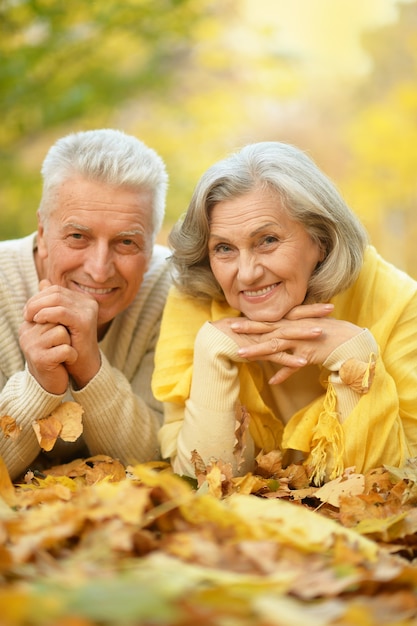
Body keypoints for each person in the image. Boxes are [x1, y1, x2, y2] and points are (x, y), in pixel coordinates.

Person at [152, 141, 417, 486]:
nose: (246, 274)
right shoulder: (197, 297)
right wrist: (212, 356)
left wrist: (354, 358)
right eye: (224, 248)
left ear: (321, 239)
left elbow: (393, 484)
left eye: (267, 240)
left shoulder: (397, 300)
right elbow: (198, 483)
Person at [0, 128, 171, 480]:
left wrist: (90, 367)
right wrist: (40, 383)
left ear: (152, 245)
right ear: (44, 233)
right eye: (78, 236)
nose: (98, 269)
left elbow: (155, 456)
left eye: (126, 242)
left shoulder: (172, 290)